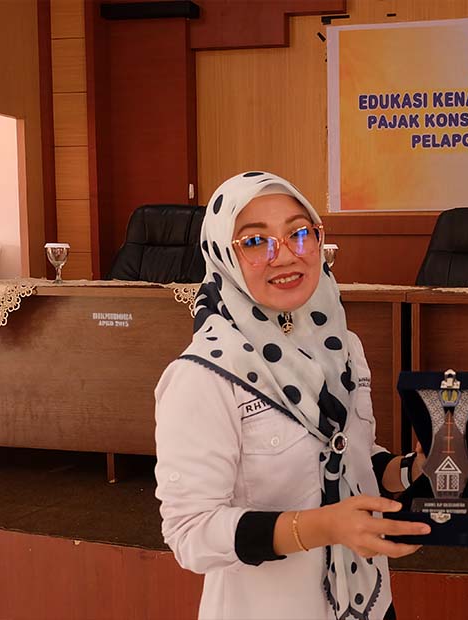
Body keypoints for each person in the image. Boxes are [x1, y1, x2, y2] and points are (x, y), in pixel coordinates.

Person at [155, 172, 430, 620]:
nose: (284, 255)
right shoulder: (204, 374)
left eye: (299, 233)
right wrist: (322, 527)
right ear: (224, 255)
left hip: (367, 606)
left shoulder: (342, 347)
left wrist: (412, 469)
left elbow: (356, 460)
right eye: (255, 241)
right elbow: (191, 532)